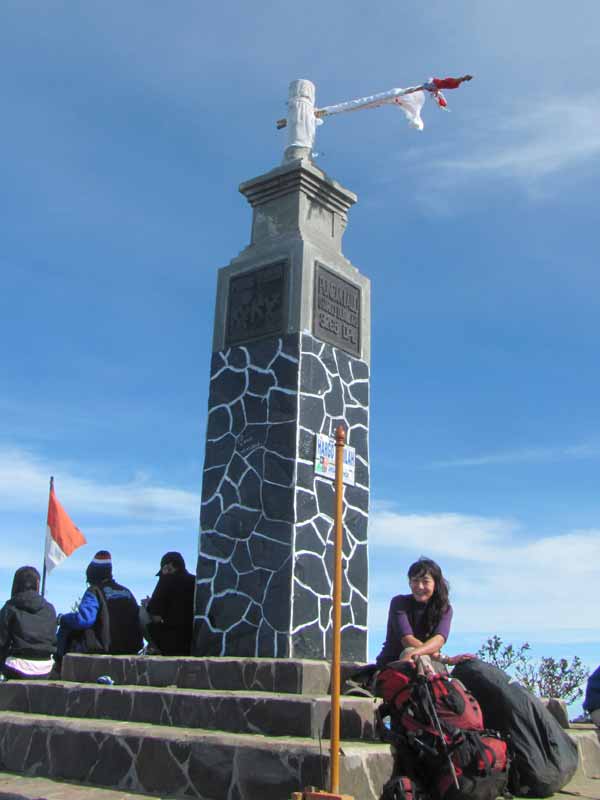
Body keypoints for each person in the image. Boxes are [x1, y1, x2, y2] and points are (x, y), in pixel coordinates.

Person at [376, 556, 472, 671]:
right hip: (395, 664)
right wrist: (444, 658)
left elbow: (439, 640)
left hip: (431, 662)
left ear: (435, 584)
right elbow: (407, 640)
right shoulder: (399, 603)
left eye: (425, 581)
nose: (420, 586)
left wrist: (418, 653)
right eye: (415, 581)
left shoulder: (444, 609)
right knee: (410, 652)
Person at [57, 550, 142, 659]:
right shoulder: (126, 592)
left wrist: (62, 619)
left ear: (92, 576)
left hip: (105, 649)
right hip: (131, 648)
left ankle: (58, 664)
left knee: (66, 626)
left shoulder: (94, 591)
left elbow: (85, 620)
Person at [0, 566, 57, 680]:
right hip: (46, 668)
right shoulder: (50, 608)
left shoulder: (10, 607)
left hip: (17, 667)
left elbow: (2, 642)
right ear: (37, 584)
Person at [141, 551, 195, 656]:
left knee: (141, 613)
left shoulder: (166, 581)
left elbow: (155, 615)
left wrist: (148, 605)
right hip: (193, 642)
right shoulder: (195, 581)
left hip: (172, 644)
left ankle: (154, 649)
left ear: (168, 567)